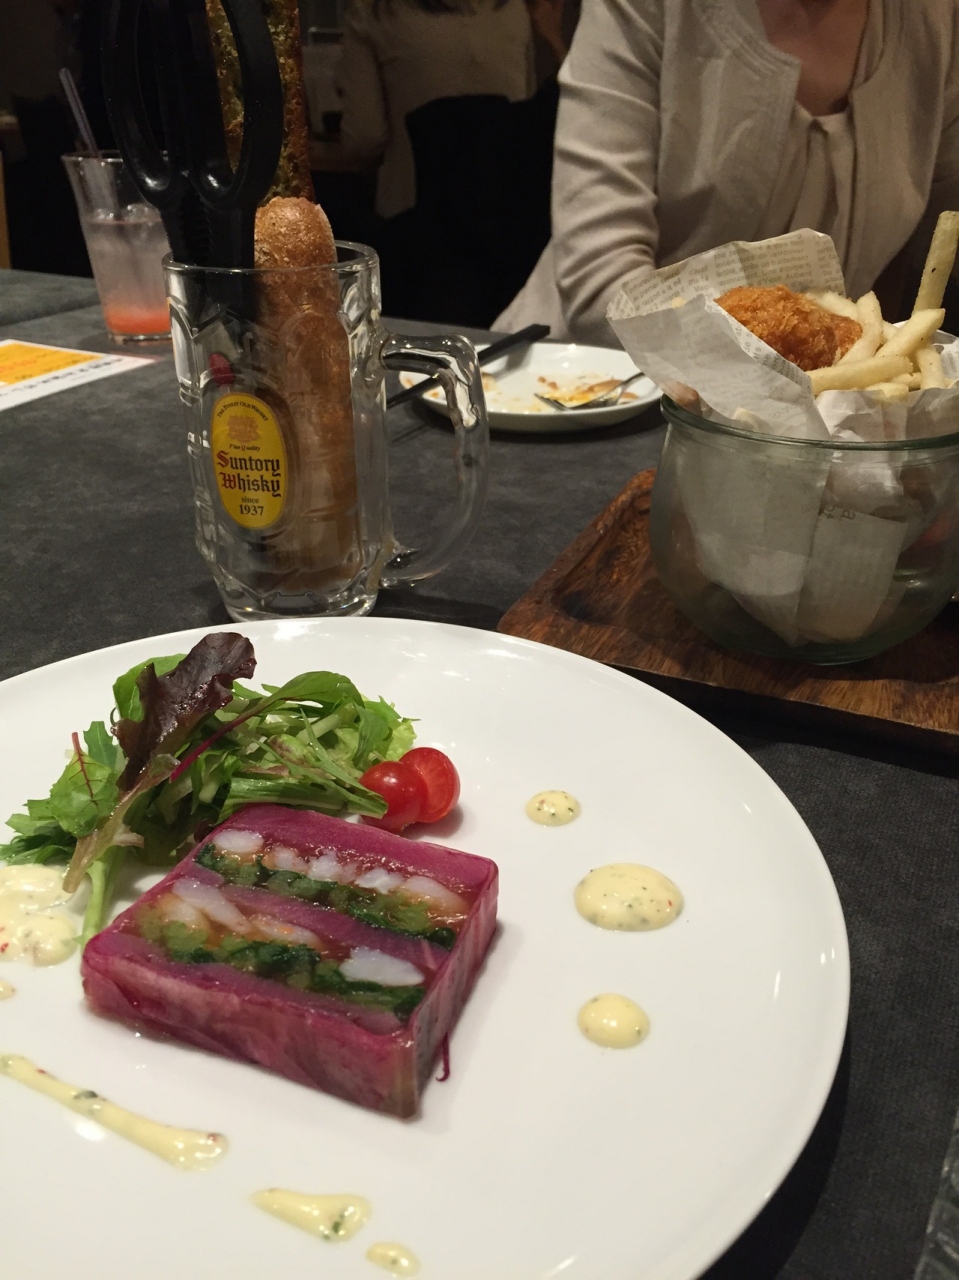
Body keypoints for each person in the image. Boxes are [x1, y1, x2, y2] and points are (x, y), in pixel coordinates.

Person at [496, 0, 959, 345]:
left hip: (818, 421)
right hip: (581, 395)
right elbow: (601, 284)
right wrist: (800, 363)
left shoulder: (937, 18)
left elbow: (935, 246)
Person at [337, 0, 536, 219]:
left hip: (415, 209)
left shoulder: (376, 12)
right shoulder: (514, 9)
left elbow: (364, 138)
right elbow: (526, 115)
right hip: (506, 209)